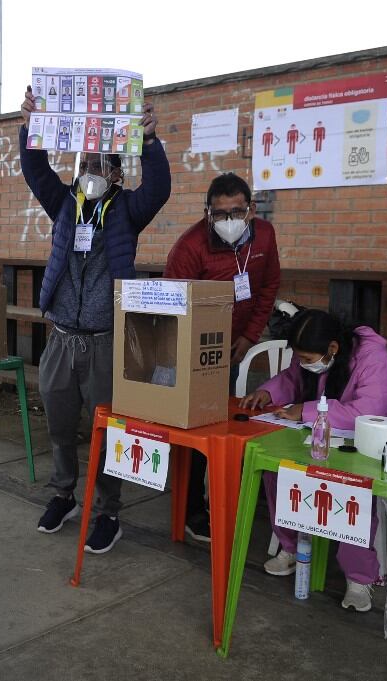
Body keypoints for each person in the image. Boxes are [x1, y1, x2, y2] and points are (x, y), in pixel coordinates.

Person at [19, 84, 171, 553]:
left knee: (108, 431)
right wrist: (30, 127)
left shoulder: (127, 210)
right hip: (63, 340)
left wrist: (148, 141)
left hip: (107, 342)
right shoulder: (65, 205)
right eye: (86, 165)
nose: (90, 172)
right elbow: (36, 171)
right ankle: (63, 494)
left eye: (101, 166)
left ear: (118, 175)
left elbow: (160, 189)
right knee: (60, 426)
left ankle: (108, 512)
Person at [240, 309, 387, 611]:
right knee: (276, 469)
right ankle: (291, 547)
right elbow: (292, 378)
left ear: (333, 349)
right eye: (299, 357)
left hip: (365, 440)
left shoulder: (374, 360)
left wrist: (303, 410)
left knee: (352, 486)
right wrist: (267, 391)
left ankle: (359, 578)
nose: (302, 363)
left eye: (307, 358)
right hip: (318, 432)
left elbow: (365, 414)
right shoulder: (312, 353)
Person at [165, 172, 281, 542]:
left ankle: (220, 500)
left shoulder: (264, 235)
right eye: (220, 214)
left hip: (234, 347)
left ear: (250, 210)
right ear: (207, 213)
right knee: (195, 434)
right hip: (195, 352)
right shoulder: (190, 247)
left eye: (237, 211)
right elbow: (173, 305)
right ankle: (190, 512)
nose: (229, 221)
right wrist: (194, 356)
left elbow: (267, 287)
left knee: (221, 428)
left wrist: (250, 336)